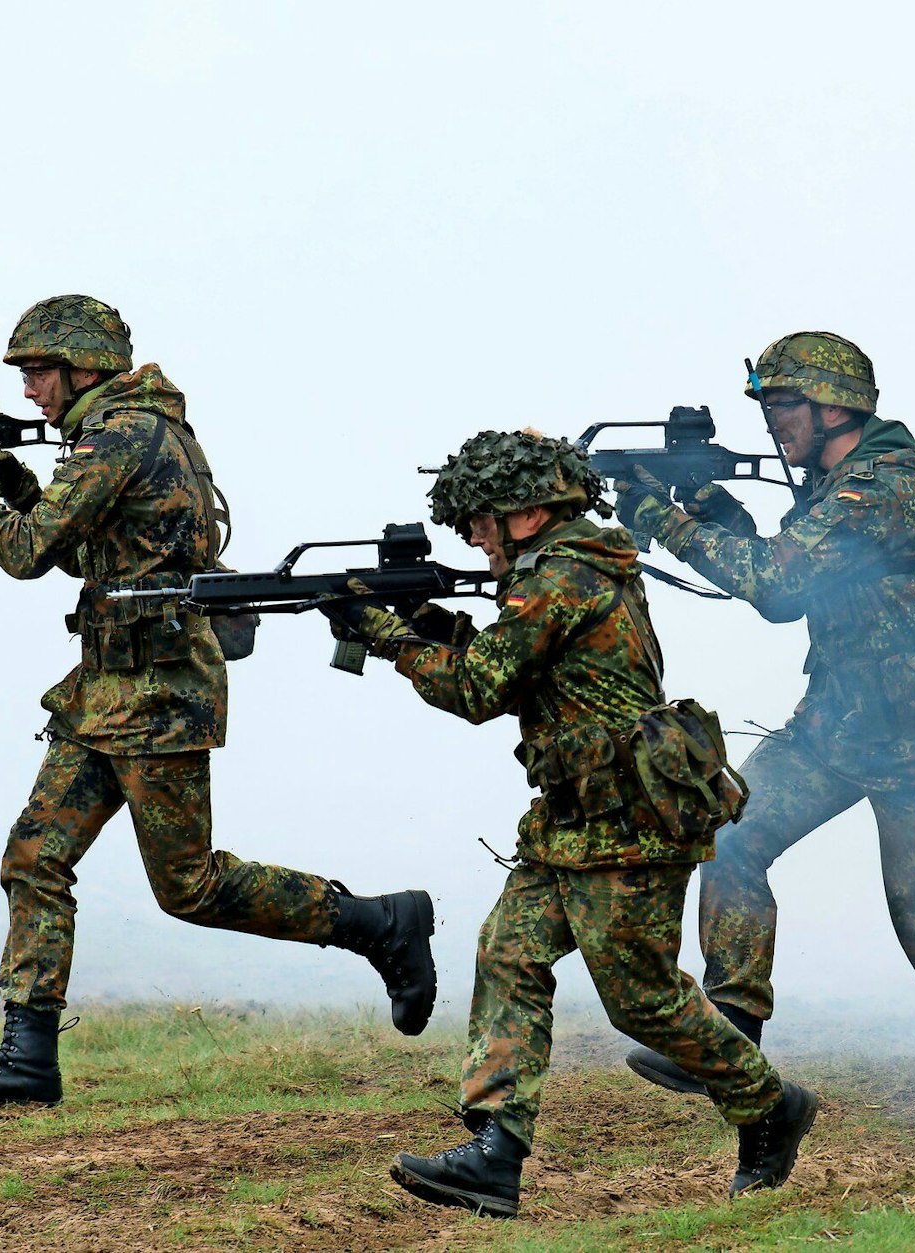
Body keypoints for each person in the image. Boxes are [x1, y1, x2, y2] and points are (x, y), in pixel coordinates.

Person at [0, 295, 436, 1107]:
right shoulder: (123, 429)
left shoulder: (123, 433)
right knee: (34, 858)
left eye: (40, 373)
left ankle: (380, 924)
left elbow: (26, 550)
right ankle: (27, 1058)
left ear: (85, 365)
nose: (31, 392)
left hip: (157, 696)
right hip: (105, 690)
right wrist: (5, 477)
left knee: (190, 886)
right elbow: (83, 544)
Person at [331, 430, 816, 1218]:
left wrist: (387, 635)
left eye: (482, 520)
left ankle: (769, 1105)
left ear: (526, 512)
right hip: (574, 817)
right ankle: (495, 1149)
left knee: (644, 1001)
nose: (474, 537)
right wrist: (418, 621)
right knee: (509, 950)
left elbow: (481, 688)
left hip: (628, 822)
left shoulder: (562, 576)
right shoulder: (559, 572)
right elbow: (516, 663)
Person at [613, 332, 915, 1131]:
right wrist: (718, 512)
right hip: (834, 724)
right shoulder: (837, 485)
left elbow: (775, 583)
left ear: (837, 405)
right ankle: (731, 1028)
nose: (772, 423)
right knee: (732, 836)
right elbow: (796, 575)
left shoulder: (885, 490)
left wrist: (667, 520)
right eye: (768, 405)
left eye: (785, 404)